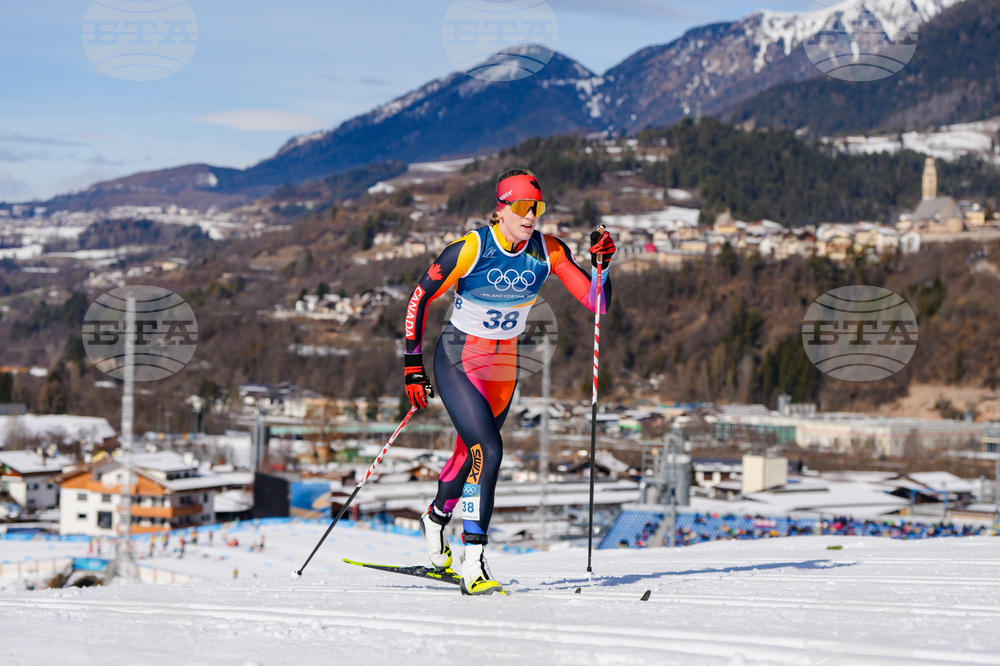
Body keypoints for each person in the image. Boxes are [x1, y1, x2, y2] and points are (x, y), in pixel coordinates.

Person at [403, 168, 615, 595]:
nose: (530, 215)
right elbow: (419, 297)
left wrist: (603, 268)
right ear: (500, 210)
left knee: (471, 454)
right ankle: (474, 563)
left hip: (502, 368)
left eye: (536, 207)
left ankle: (436, 517)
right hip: (458, 360)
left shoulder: (548, 251)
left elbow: (597, 303)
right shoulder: (470, 249)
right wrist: (412, 365)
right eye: (521, 207)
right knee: (490, 450)